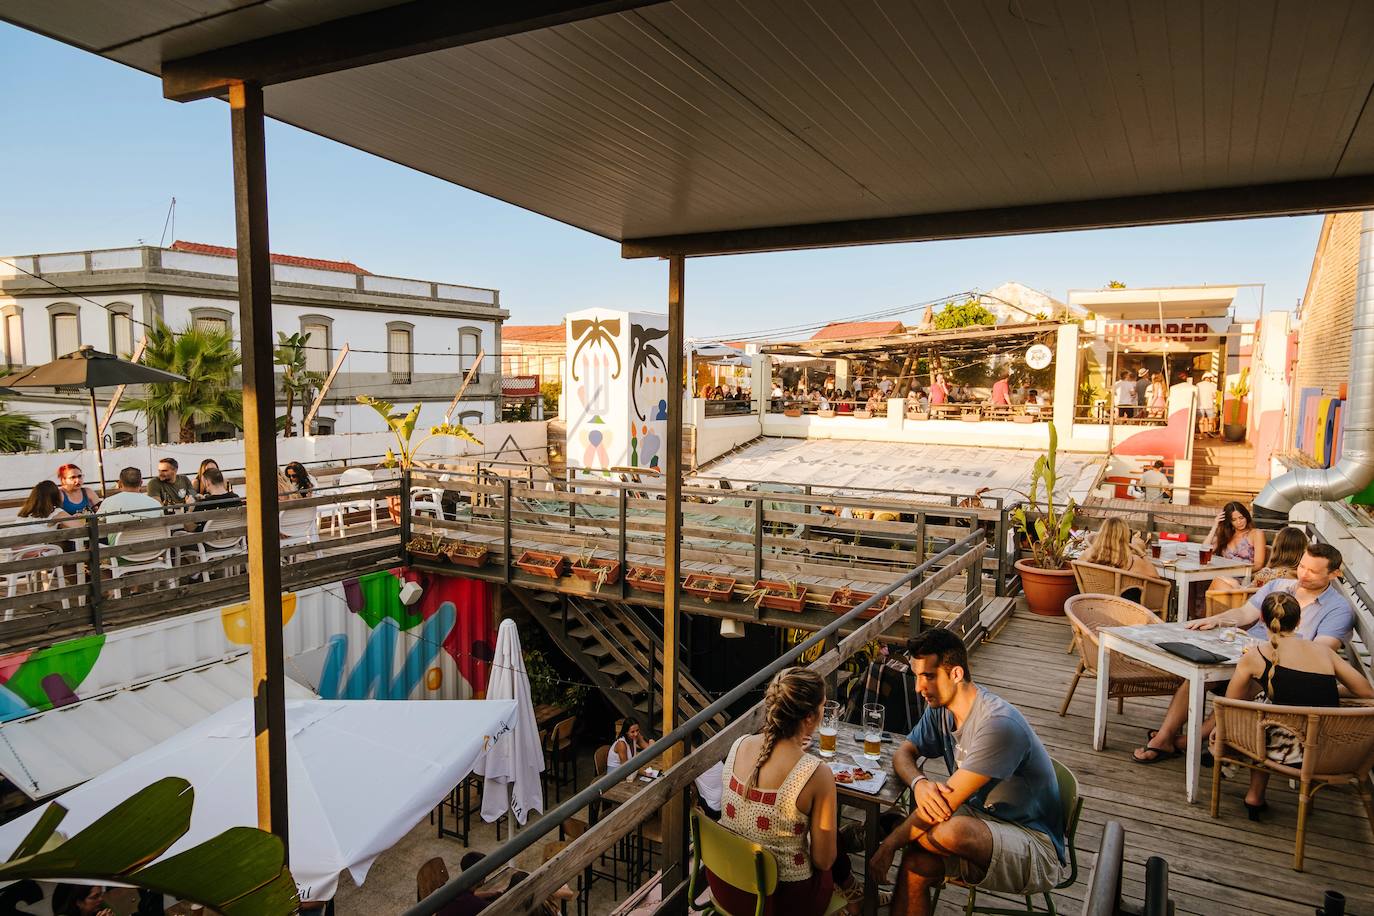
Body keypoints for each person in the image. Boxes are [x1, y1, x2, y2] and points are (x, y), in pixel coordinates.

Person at [871, 629, 1067, 915]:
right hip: (980, 818)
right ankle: (896, 827)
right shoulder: (940, 707)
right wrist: (918, 782)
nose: (918, 688)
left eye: (927, 676)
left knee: (953, 830)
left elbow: (944, 807)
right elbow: (904, 752)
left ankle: (891, 826)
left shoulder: (998, 726)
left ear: (956, 674)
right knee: (916, 864)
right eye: (916, 676)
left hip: (1034, 844)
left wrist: (890, 843)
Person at [1132, 543, 1355, 763]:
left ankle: (1188, 742)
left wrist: (1269, 652)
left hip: (1280, 669)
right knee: (1199, 671)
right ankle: (1164, 738)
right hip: (1244, 653)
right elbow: (1245, 613)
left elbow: (1319, 652)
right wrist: (1216, 619)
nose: (1303, 574)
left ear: (1334, 574)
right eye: (1302, 566)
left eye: (1313, 571)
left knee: (1250, 685)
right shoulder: (1278, 585)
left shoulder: (1338, 609)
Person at [711, 667, 859, 915]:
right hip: (780, 902)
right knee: (830, 853)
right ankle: (855, 896)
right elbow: (823, 861)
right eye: (823, 707)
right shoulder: (816, 773)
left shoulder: (739, 745)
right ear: (810, 718)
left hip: (726, 886)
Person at [1219, 592, 1373, 818]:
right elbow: (1366, 692)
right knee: (1271, 710)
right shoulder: (1324, 653)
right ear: (1299, 622)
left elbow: (1230, 705)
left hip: (1287, 751)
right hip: (1333, 748)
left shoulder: (1256, 654)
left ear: (1262, 619)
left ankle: (1253, 793)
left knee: (1260, 712)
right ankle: (1261, 793)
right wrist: (1327, 689)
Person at [1080, 517, 1159, 587]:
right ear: (1125, 536)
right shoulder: (1132, 561)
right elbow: (1155, 577)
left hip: (1091, 599)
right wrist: (1141, 553)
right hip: (1120, 603)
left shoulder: (1089, 553)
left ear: (1102, 533)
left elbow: (1076, 569)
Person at [1203, 501, 1267, 572]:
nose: (1239, 522)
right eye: (1234, 520)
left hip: (1242, 577)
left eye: (1241, 518)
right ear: (1229, 521)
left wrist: (1235, 572)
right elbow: (1204, 551)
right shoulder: (1226, 535)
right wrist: (1215, 526)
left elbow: (1258, 564)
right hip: (1222, 575)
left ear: (1246, 516)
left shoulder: (1256, 534)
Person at [97, 467, 164, 527]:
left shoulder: (108, 501)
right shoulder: (155, 503)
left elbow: (98, 521)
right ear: (141, 483)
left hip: (121, 540)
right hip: (151, 539)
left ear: (120, 484)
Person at [50, 884, 114, 916]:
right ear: (79, 903)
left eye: (100, 895)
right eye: (95, 897)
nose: (100, 899)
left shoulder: (102, 910)